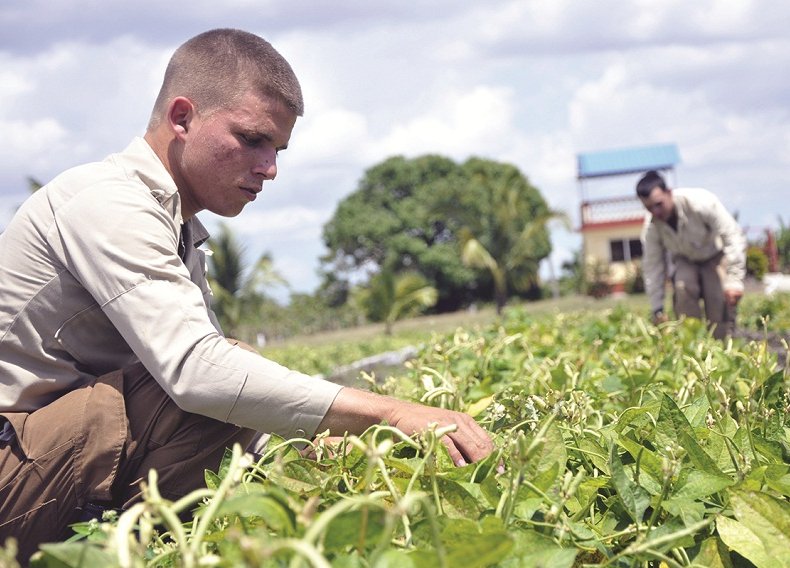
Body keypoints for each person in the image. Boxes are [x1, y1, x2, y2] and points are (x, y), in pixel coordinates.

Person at [0, 29, 494, 561]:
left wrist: (327, 454)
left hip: (53, 462)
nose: (270, 168)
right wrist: (391, 415)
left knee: (236, 386)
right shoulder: (108, 203)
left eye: (277, 149)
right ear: (182, 118)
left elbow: (223, 387)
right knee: (212, 380)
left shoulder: (175, 222)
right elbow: (198, 374)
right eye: (252, 140)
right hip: (14, 472)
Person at [636, 170, 746, 339]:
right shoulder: (651, 228)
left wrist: (734, 280)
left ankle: (722, 346)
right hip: (684, 259)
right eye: (649, 208)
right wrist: (657, 308)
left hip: (714, 256)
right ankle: (692, 345)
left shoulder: (701, 203)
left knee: (717, 301)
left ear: (669, 193)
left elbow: (732, 235)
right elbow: (653, 266)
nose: (656, 212)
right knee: (682, 288)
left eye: (658, 204)